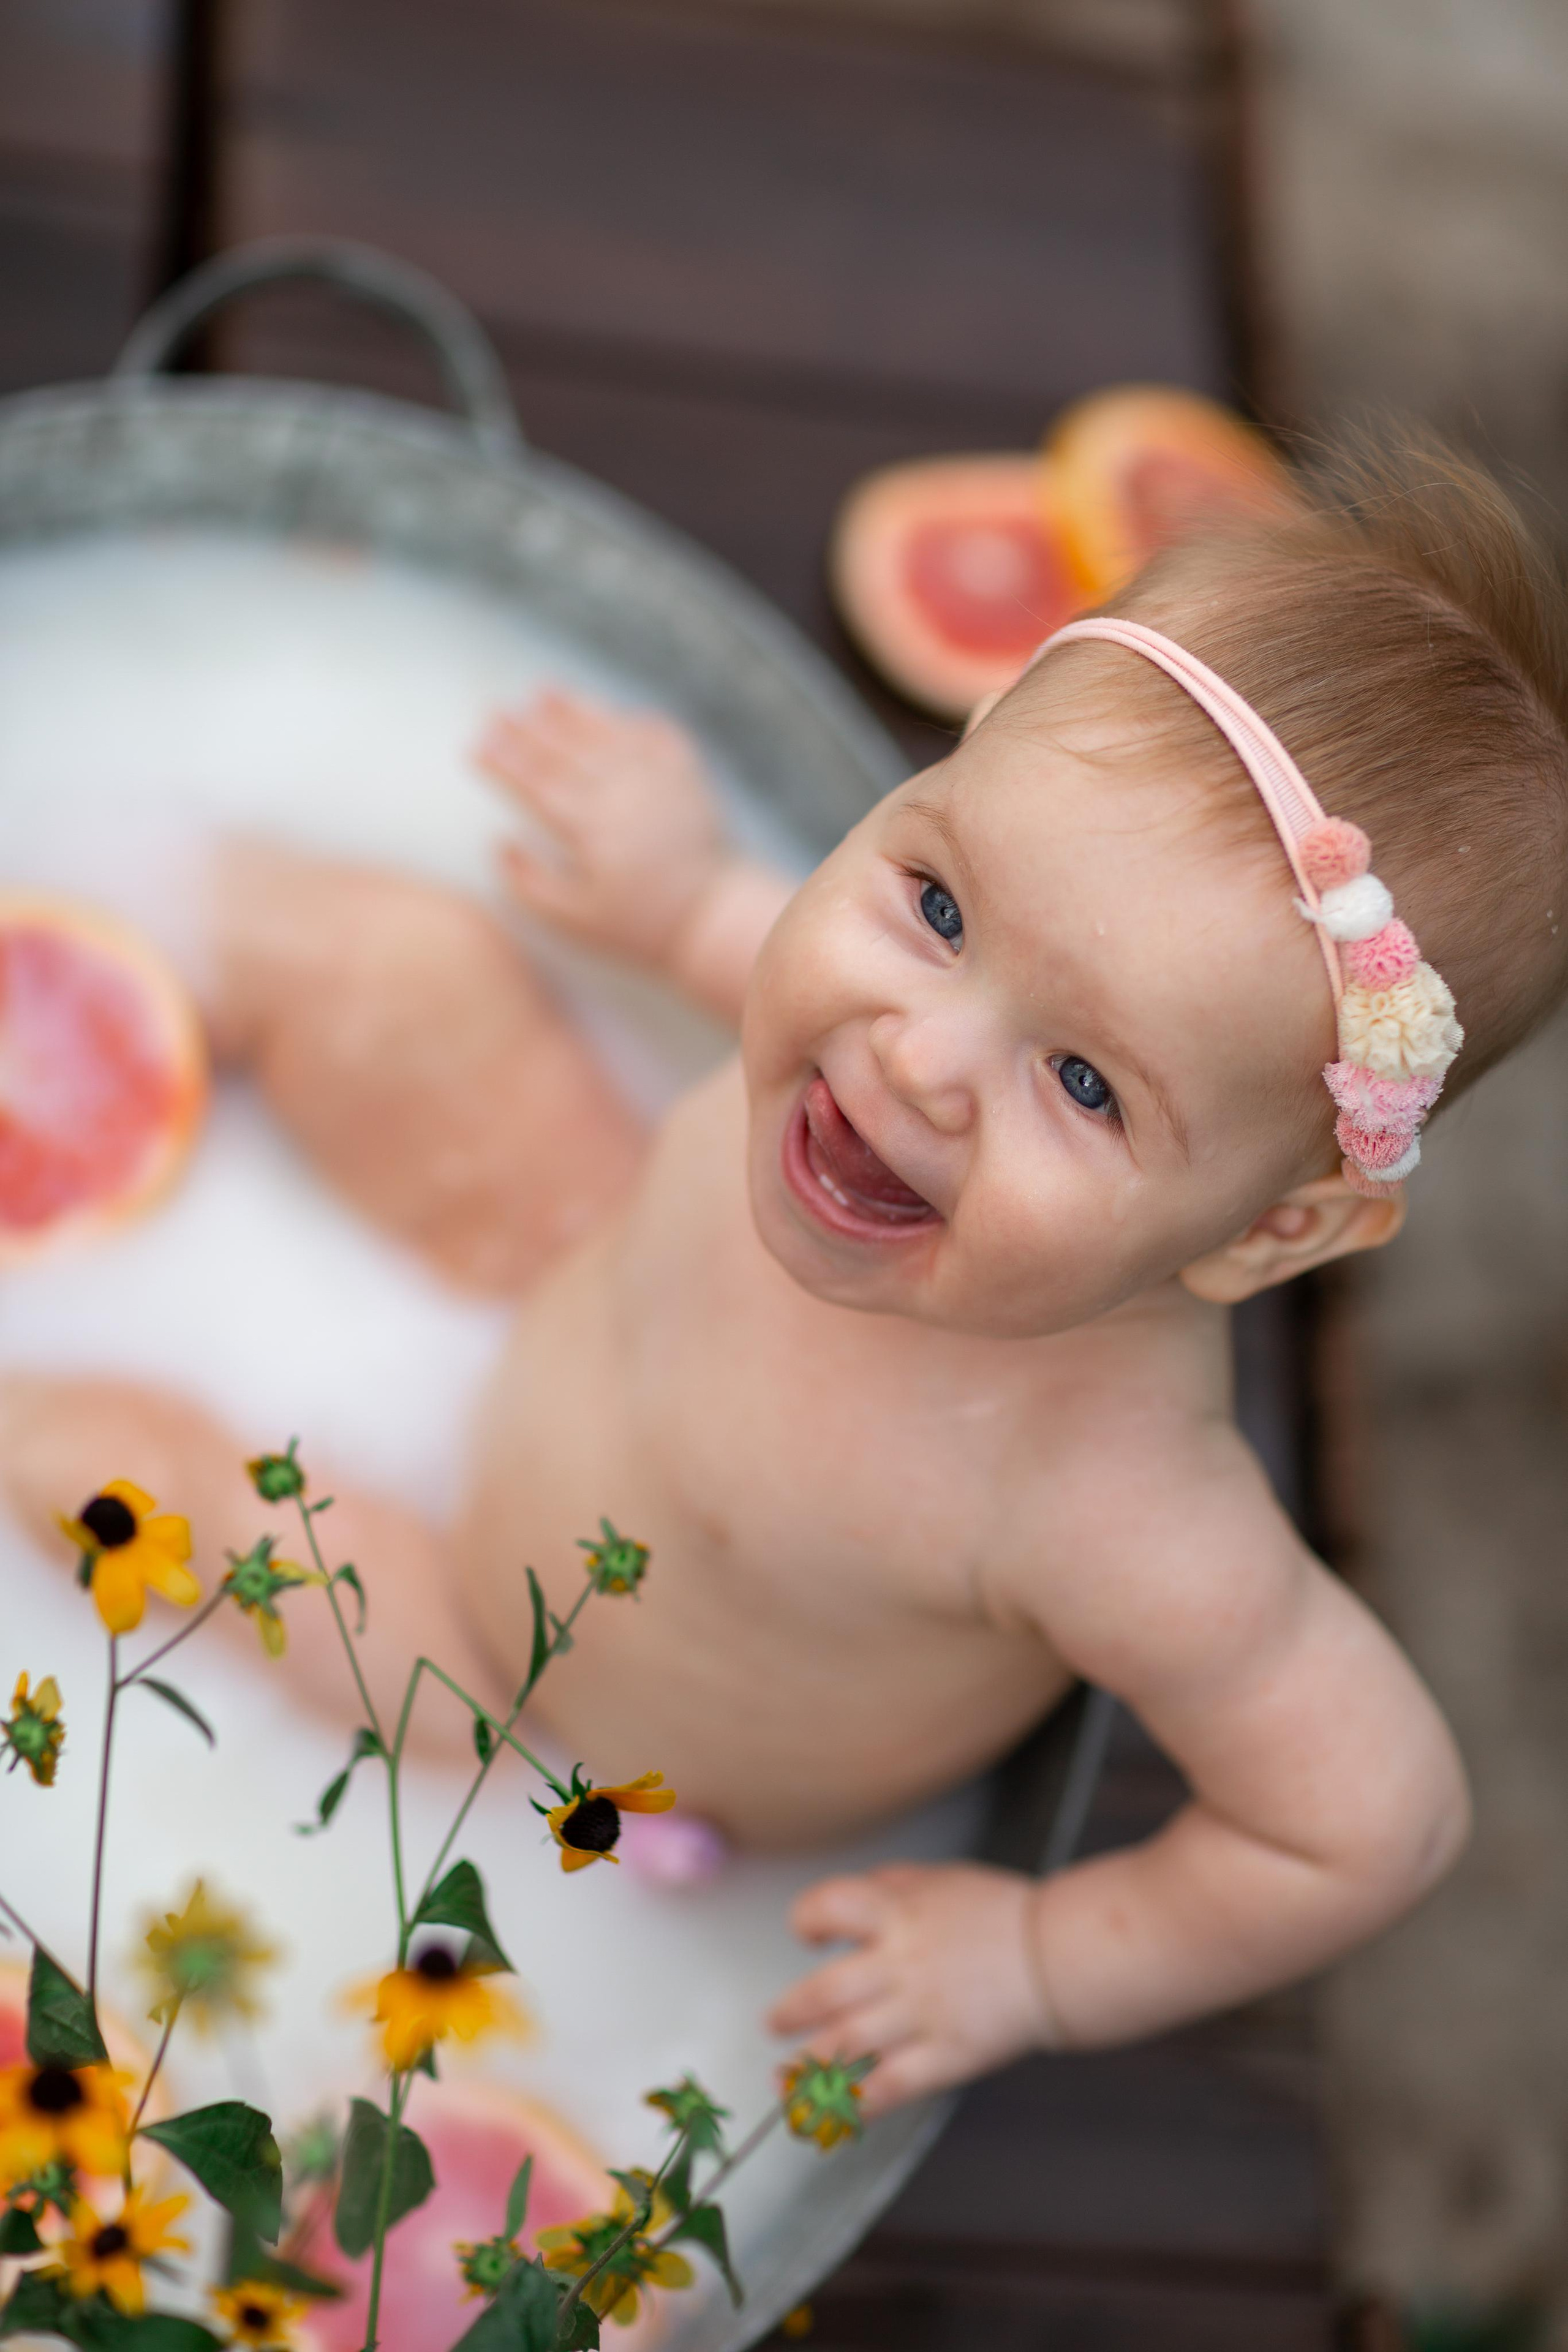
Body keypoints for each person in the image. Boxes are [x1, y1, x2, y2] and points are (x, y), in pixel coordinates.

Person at [8, 434, 1567, 2117]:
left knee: (106, 1469)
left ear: (1278, 1230)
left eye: (1090, 1084)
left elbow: (1377, 1818)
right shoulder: (898, 1056)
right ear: (943, 782)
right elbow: (824, 962)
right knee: (387, 963)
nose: (915, 1060)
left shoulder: (1109, 1503)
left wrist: (1035, 1960)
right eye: (941, 905)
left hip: (518, 1680)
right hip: (557, 1275)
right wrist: (681, 896)